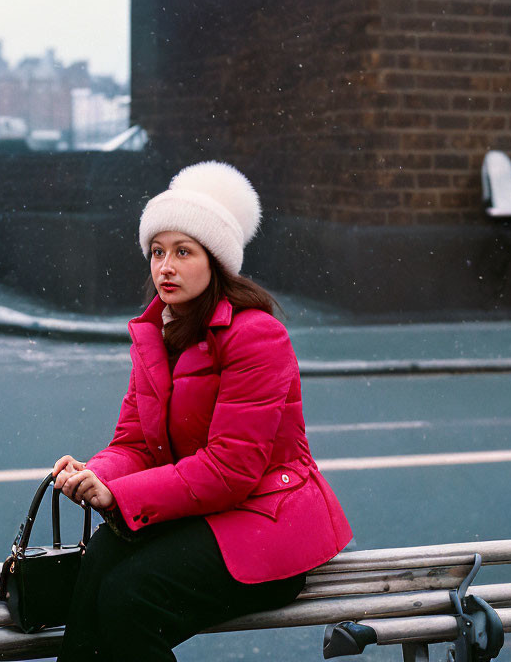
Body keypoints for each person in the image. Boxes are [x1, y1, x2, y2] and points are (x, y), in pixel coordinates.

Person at [52, 161, 353, 661]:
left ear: (215, 261)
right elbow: (134, 444)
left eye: (183, 252)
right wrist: (96, 475)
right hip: (208, 515)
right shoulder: (157, 335)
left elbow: (232, 468)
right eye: (157, 251)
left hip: (268, 522)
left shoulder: (256, 335)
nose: (164, 266)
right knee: (102, 559)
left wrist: (117, 495)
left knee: (131, 597)